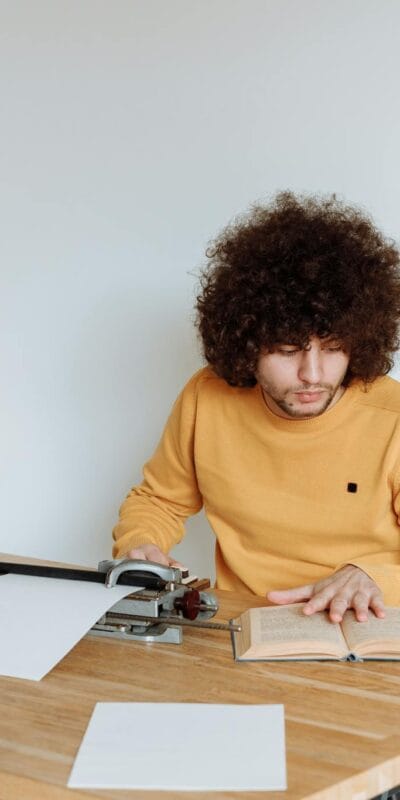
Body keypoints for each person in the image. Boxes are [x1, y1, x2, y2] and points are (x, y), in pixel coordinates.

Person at [112, 191, 400, 623]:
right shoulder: (207, 396)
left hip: (368, 624)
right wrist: (140, 544)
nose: (313, 374)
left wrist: (373, 575)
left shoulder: (391, 417)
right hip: (244, 625)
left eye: (335, 348)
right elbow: (160, 500)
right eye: (287, 350)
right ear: (247, 343)